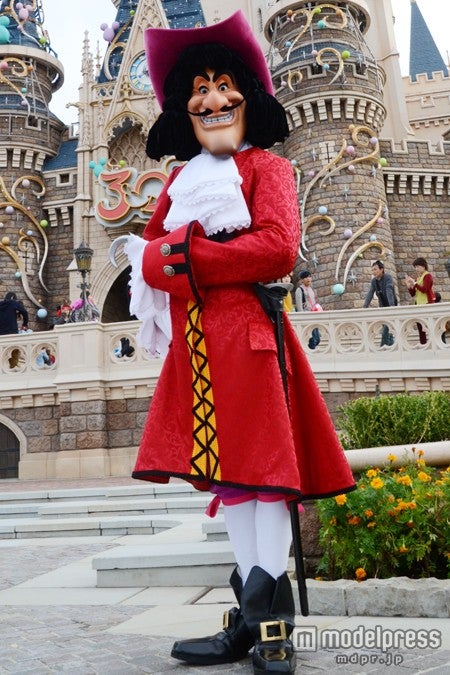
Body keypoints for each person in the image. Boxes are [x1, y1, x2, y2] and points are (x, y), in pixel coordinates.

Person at [119, 12, 355, 674]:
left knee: (267, 478)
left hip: (251, 341)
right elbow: (149, 255)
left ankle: (269, 624)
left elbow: (276, 248)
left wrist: (187, 257)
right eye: (200, 90)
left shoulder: (267, 168)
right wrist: (175, 257)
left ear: (249, 97)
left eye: (225, 86)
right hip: (197, 349)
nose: (213, 100)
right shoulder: (179, 182)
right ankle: (252, 622)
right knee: (233, 482)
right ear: (184, 109)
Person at [363, 260, 397, 346]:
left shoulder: (388, 278)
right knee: (387, 328)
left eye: (375, 269)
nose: (373, 272)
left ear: (381, 269)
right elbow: (370, 293)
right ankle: (391, 345)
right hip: (382, 306)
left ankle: (383, 346)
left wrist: (392, 306)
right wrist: (365, 306)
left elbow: (389, 291)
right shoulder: (374, 281)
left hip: (391, 305)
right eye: (372, 270)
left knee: (387, 328)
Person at [404, 257, 435, 344]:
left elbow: (425, 289)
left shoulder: (428, 276)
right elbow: (413, 293)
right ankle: (423, 344)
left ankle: (433, 343)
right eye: (415, 267)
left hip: (427, 303)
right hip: (419, 304)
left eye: (417, 266)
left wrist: (414, 283)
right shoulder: (419, 278)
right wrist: (409, 286)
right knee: (420, 325)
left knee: (429, 325)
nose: (416, 269)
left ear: (423, 266)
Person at [295, 270, 322, 349]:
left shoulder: (311, 289)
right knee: (314, 338)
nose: (308, 279)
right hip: (307, 315)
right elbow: (299, 306)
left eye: (309, 277)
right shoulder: (299, 290)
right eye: (306, 277)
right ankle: (310, 351)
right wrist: (302, 317)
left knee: (317, 339)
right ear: (302, 280)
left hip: (314, 314)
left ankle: (311, 350)